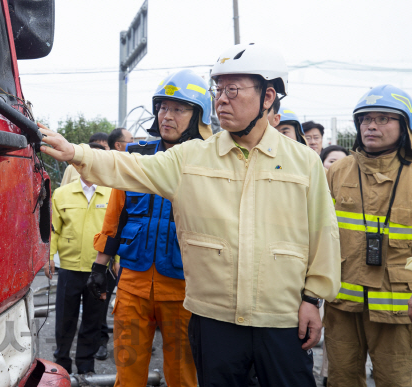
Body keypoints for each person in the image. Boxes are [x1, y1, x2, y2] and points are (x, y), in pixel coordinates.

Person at [39, 42, 341, 387]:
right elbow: (129, 167)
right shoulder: (192, 157)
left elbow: (323, 234)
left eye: (233, 90)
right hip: (213, 318)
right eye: (218, 90)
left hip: (281, 317)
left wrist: (312, 299)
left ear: (268, 96)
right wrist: (75, 152)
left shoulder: (303, 162)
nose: (222, 99)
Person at [87, 69, 212, 387]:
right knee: (127, 376)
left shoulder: (211, 163)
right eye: (163, 107)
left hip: (184, 289)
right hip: (133, 285)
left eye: (178, 109)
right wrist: (99, 267)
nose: (167, 115)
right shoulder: (136, 155)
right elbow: (115, 216)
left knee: (184, 376)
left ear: (198, 115)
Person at [325, 84, 412, 386]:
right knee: (342, 379)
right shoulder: (338, 172)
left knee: (398, 380)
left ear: (405, 126)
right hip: (342, 305)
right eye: (365, 119)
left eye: (384, 119)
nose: (371, 126)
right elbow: (319, 234)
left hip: (399, 306)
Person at [44, 158, 112, 375]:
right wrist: (49, 257)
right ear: (78, 167)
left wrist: (117, 260)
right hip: (70, 268)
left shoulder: (112, 194)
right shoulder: (62, 193)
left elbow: (116, 231)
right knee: (65, 318)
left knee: (93, 319)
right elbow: (54, 229)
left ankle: (85, 365)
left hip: (100, 270)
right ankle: (62, 362)